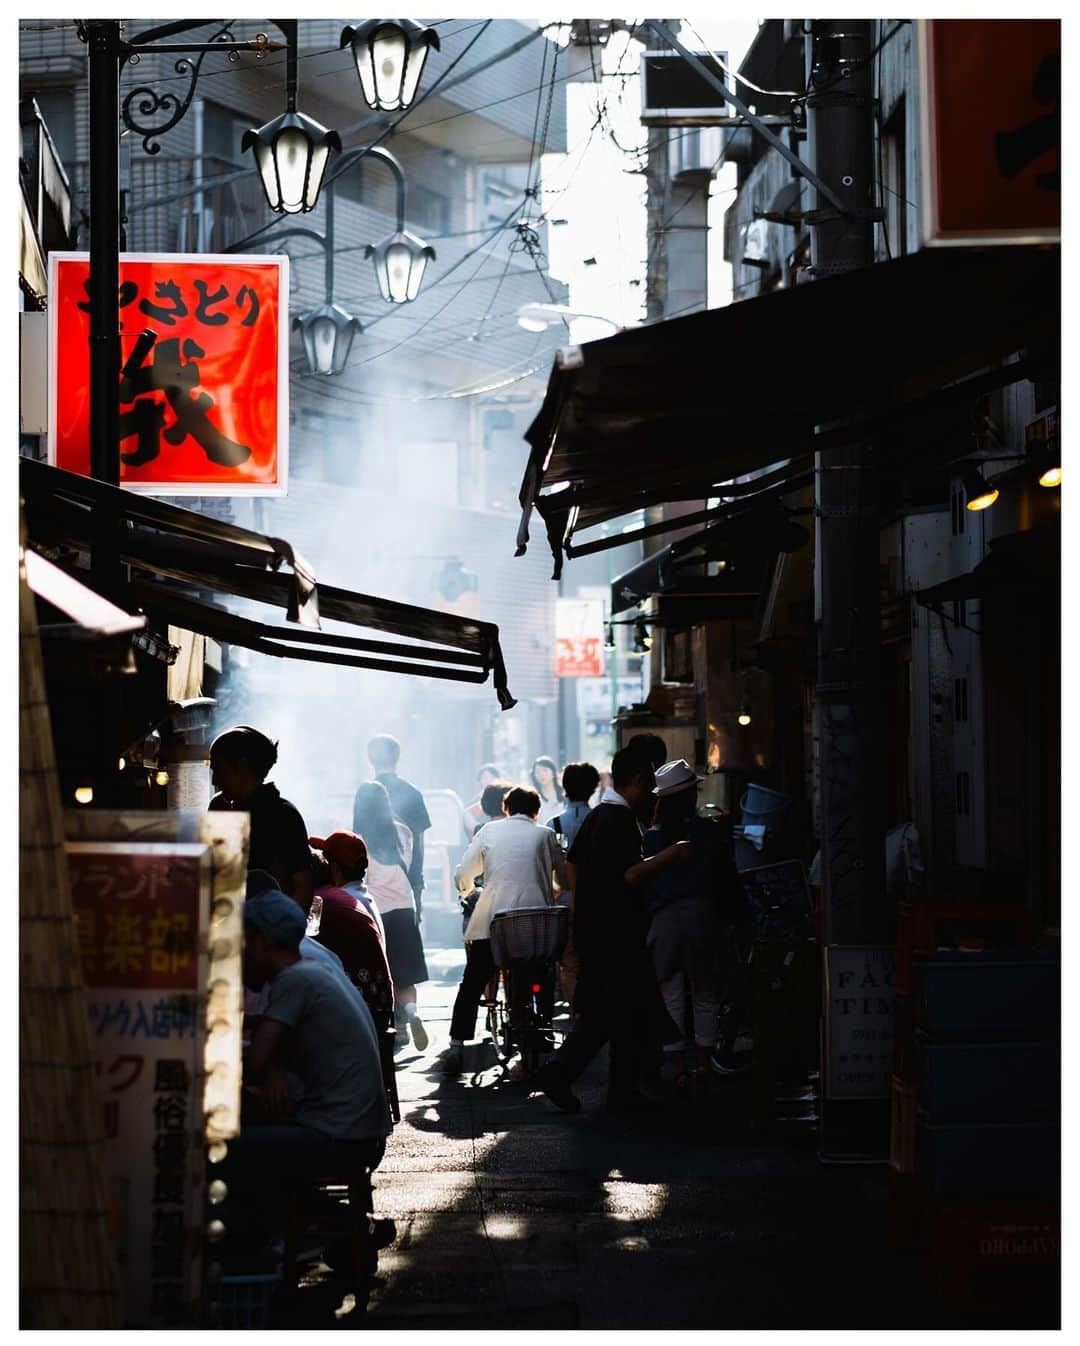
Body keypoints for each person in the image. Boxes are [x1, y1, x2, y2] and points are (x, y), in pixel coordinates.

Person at [223, 888, 392, 1253]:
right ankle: (338, 1223)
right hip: (360, 1129)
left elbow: (255, 1061)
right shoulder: (313, 969)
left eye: (244, 943)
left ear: (264, 942)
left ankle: (270, 1248)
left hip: (340, 1135)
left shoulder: (293, 982)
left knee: (227, 1152)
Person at [531, 747, 693, 1116]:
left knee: (616, 1015)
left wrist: (585, 905)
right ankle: (570, 1076)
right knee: (613, 1014)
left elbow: (572, 866)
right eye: (650, 782)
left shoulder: (600, 815)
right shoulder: (617, 819)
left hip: (598, 929)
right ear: (636, 780)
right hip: (615, 934)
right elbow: (630, 874)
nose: (653, 791)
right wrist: (673, 853)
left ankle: (616, 1091)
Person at [440, 787, 568, 1074]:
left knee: (473, 982)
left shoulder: (488, 831)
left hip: (496, 924)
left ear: (506, 808)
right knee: (543, 972)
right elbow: (562, 879)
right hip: (537, 925)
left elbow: (464, 873)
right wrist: (551, 890)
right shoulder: (545, 834)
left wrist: (469, 891)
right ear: (535, 811)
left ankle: (456, 1046)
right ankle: (544, 1026)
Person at [643, 760, 740, 1088]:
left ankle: (676, 1064)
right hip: (703, 915)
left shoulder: (652, 839)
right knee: (705, 989)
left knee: (669, 988)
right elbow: (727, 879)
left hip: (664, 919)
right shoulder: (710, 832)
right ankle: (702, 1063)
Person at [353, 780, 429, 1052]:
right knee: (405, 974)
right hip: (404, 907)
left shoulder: (358, 840)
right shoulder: (403, 832)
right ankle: (411, 1015)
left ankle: (394, 1031)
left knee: (383, 974)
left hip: (376, 912)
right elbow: (411, 865)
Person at [209, 726, 314, 910]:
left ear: (242, 766)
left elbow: (303, 888)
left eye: (219, 770)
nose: (215, 780)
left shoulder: (283, 815)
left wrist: (280, 932)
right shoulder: (219, 807)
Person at [307, 833, 394, 1027]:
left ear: (334, 868)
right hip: (379, 1000)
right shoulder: (363, 896)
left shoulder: (335, 902)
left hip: (363, 1007)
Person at [363, 734, 431, 917]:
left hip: (371, 887)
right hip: (404, 883)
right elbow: (419, 845)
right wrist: (417, 882)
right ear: (397, 757)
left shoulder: (365, 794)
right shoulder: (413, 793)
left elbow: (359, 840)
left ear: (370, 759)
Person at [547, 762, 600, 854]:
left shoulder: (554, 825)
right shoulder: (601, 821)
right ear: (593, 789)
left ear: (564, 787)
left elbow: (558, 857)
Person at [463, 763, 504, 842]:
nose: (488, 781)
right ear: (480, 781)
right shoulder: (474, 801)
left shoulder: (503, 798)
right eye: (485, 778)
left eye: (492, 777)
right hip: (480, 834)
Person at [530, 755, 565, 826]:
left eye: (545, 770)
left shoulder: (564, 793)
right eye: (537, 772)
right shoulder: (534, 796)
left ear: (553, 772)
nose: (541, 774)